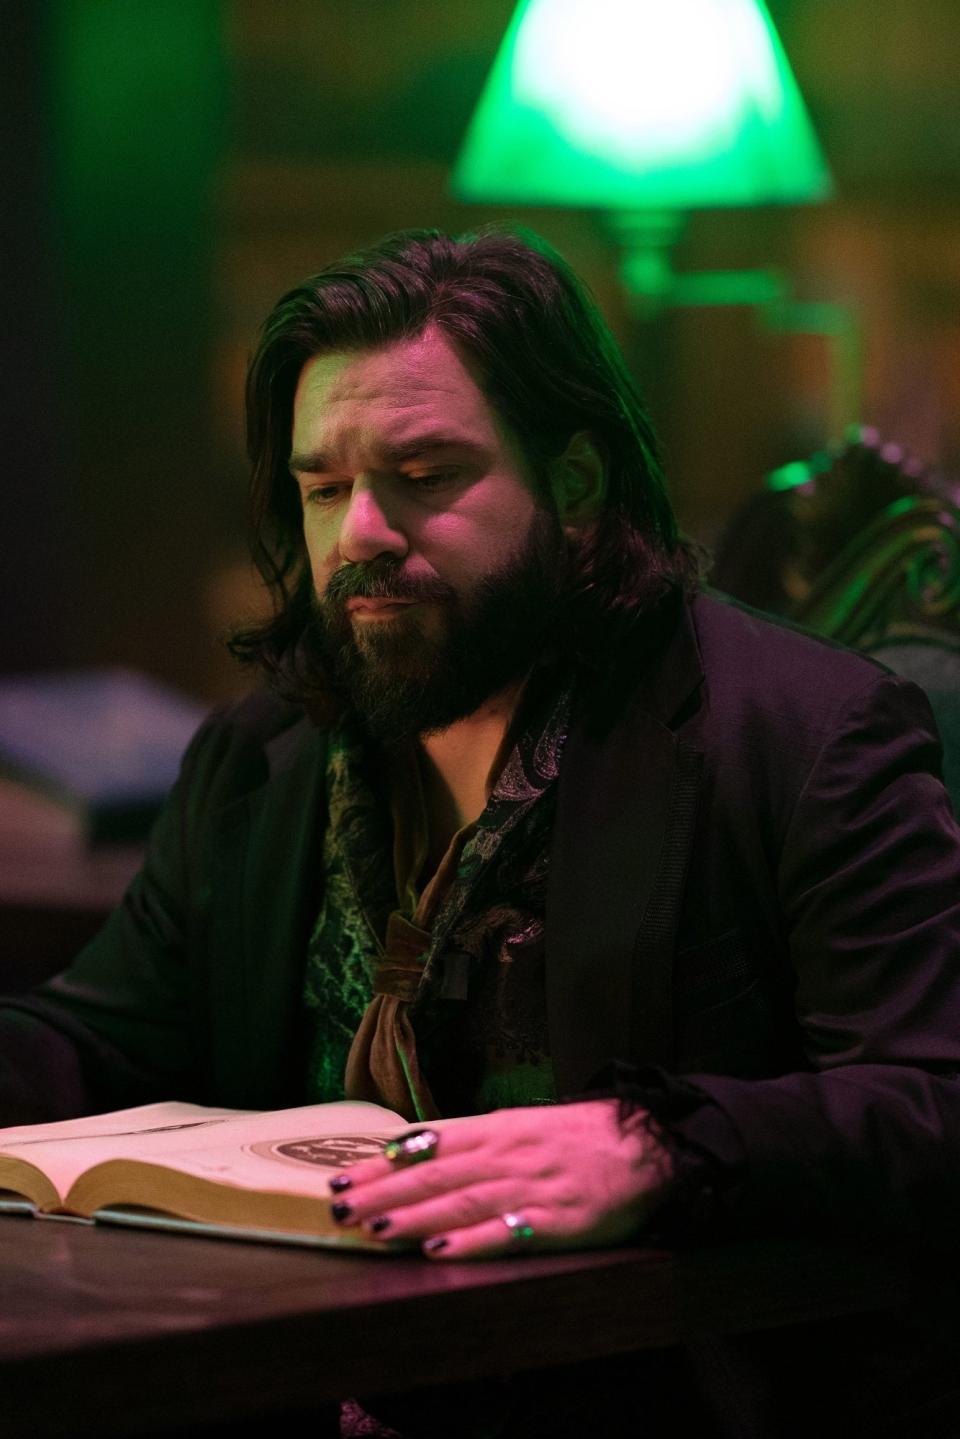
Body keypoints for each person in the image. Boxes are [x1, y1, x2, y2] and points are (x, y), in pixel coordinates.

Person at [4, 227, 960, 1435]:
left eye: (424, 473)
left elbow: (935, 1093)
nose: (360, 533)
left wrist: (660, 1145)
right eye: (323, 487)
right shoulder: (266, 752)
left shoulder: (802, 732)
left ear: (572, 481)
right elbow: (110, 1030)